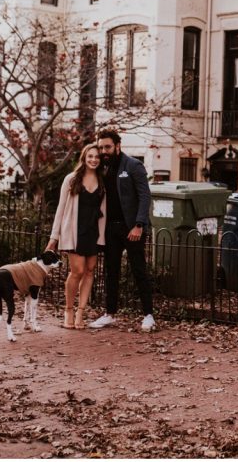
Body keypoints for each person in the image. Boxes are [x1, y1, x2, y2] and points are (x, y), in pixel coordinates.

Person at [88, 129, 155, 332]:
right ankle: (110, 314)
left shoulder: (133, 165)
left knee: (138, 270)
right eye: (100, 147)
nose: (103, 151)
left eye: (107, 147)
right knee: (111, 272)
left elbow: (145, 196)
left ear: (118, 146)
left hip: (131, 228)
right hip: (110, 228)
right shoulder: (102, 168)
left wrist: (139, 225)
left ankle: (148, 315)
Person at [45, 143, 106, 329]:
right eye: (90, 156)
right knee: (77, 271)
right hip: (74, 231)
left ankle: (81, 312)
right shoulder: (71, 179)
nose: (94, 160)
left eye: (97, 157)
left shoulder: (103, 181)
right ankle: (68, 310)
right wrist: (54, 237)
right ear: (84, 158)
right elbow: (61, 208)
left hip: (93, 232)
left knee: (89, 271)